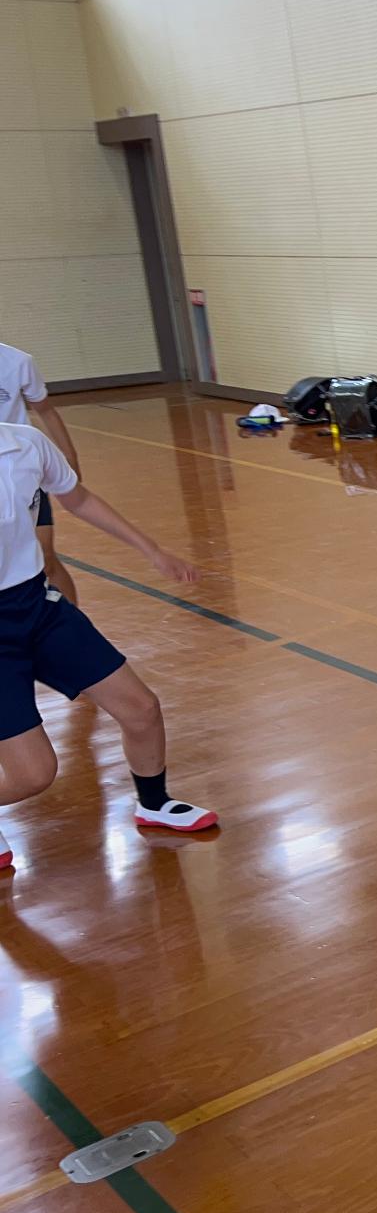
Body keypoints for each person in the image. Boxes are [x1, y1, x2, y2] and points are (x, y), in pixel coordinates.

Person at [1, 421, 217, 872]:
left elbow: (77, 498)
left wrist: (152, 550)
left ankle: (154, 804)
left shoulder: (26, 443)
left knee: (141, 708)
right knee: (33, 774)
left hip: (36, 605)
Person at [0, 343, 82, 606]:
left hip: (20, 468)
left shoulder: (19, 362)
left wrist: (70, 456)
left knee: (46, 558)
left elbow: (45, 410)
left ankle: (73, 621)